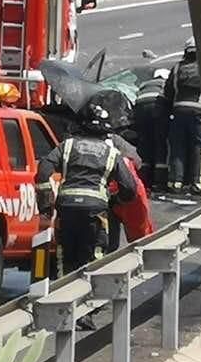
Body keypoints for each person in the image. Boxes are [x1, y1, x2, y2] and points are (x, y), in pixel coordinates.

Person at [35, 102, 138, 275]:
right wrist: (116, 200)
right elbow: (129, 187)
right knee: (94, 260)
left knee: (65, 259)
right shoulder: (111, 153)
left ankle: (63, 296)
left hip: (66, 209)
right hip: (95, 212)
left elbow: (44, 169)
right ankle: (90, 297)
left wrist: (46, 203)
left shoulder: (67, 145)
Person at [165, 38, 201, 195]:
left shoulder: (177, 68)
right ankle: (197, 183)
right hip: (199, 113)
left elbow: (168, 93)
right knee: (199, 148)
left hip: (178, 112)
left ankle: (175, 182)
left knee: (177, 147)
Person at [132, 70, 170, 191]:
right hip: (156, 106)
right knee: (160, 143)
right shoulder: (165, 83)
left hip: (140, 109)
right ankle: (159, 181)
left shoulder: (145, 84)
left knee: (144, 144)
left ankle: (143, 179)